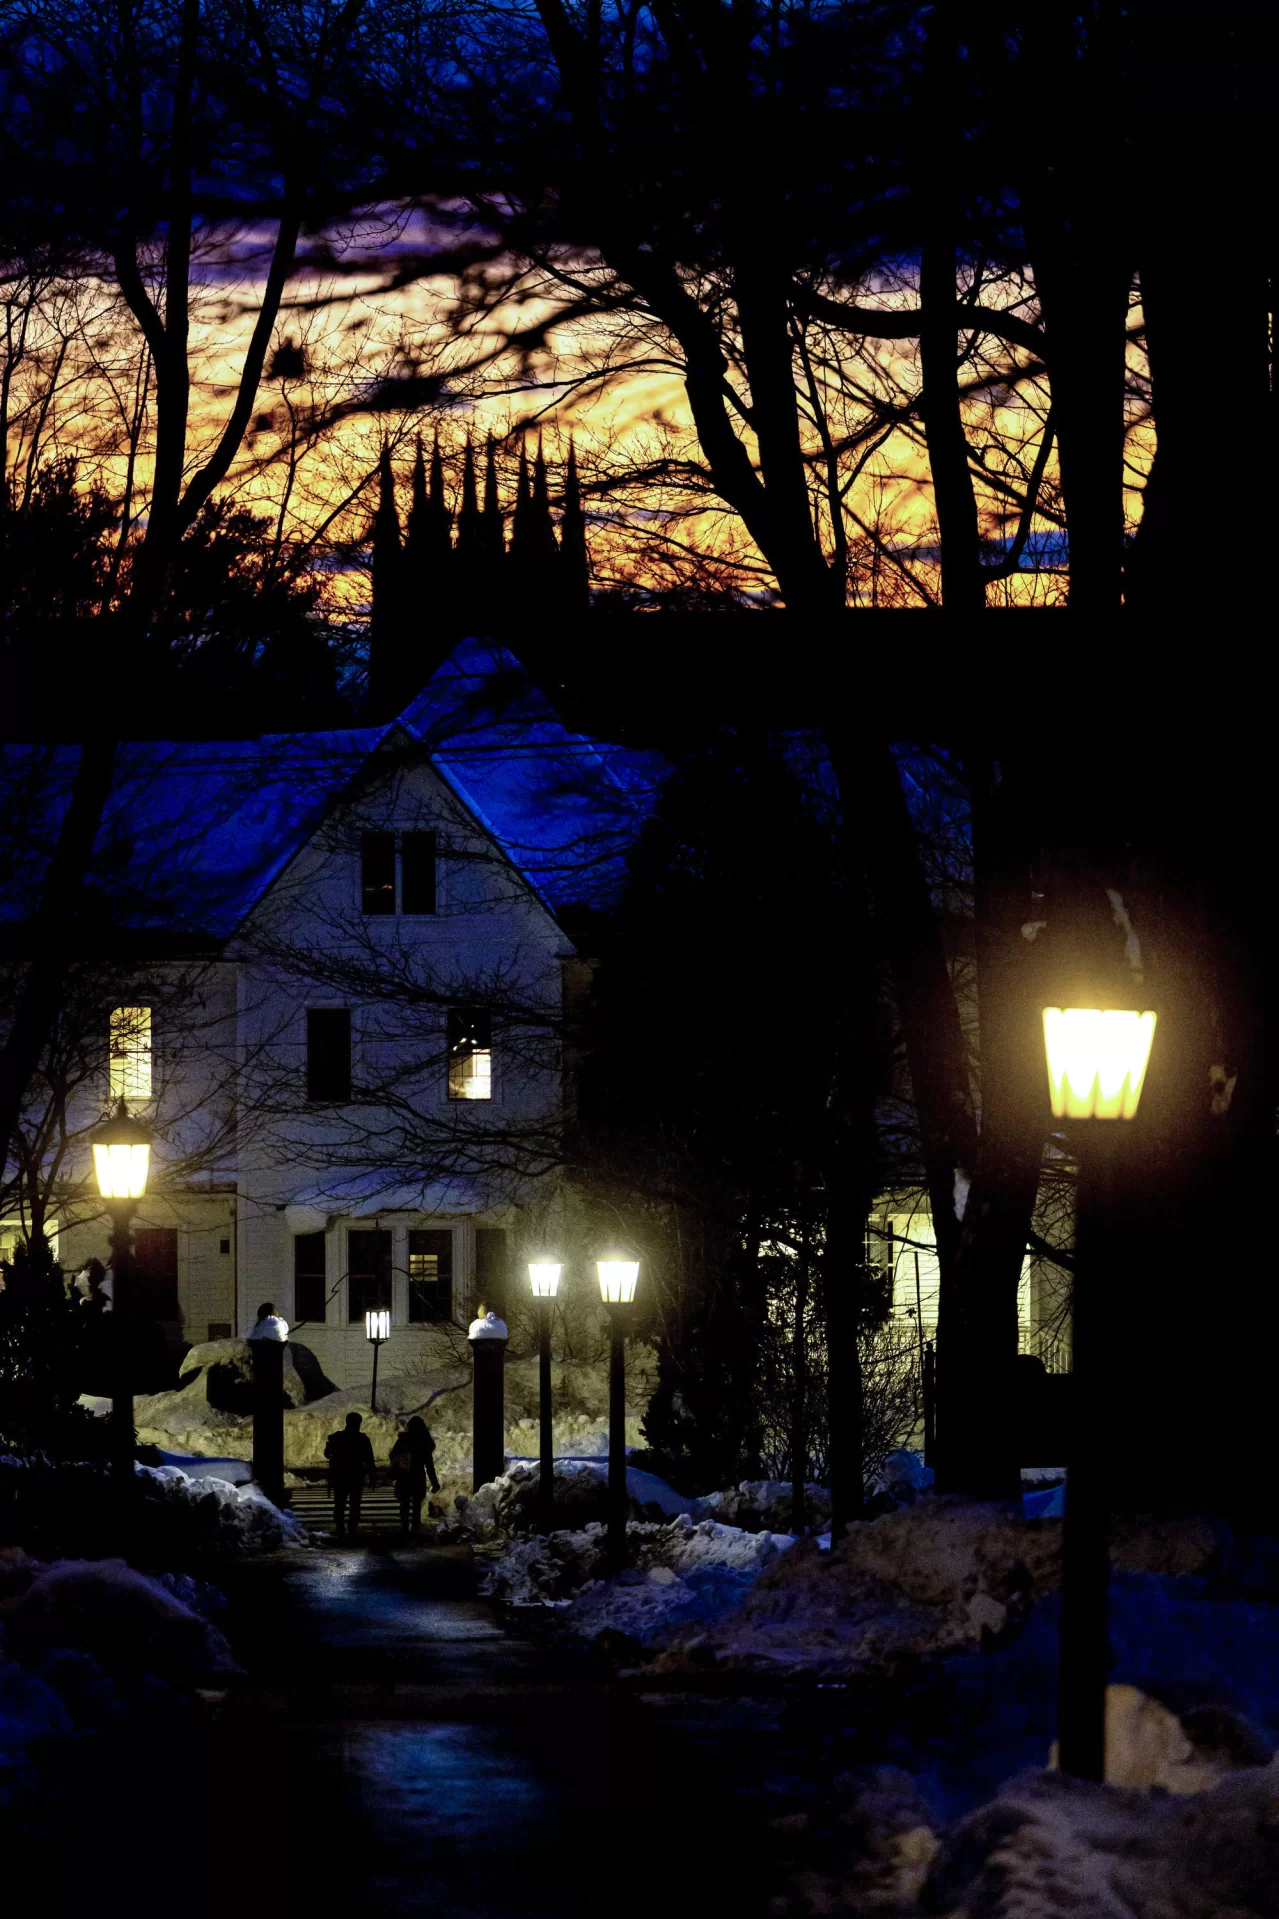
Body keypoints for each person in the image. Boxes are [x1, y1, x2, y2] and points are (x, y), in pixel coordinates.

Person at [324, 1410, 377, 1538]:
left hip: (340, 1476)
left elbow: (327, 1453)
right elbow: (369, 1459)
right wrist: (372, 1476)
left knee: (340, 1504)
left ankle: (340, 1528)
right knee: (354, 1504)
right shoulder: (362, 1439)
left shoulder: (337, 1437)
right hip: (355, 1476)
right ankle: (352, 1529)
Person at [389, 1415, 440, 1534]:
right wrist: (434, 1482)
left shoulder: (403, 1440)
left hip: (404, 1476)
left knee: (404, 1502)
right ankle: (415, 1527)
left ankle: (405, 1526)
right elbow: (429, 1465)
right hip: (418, 1476)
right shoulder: (424, 1443)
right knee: (416, 1503)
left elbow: (392, 1455)